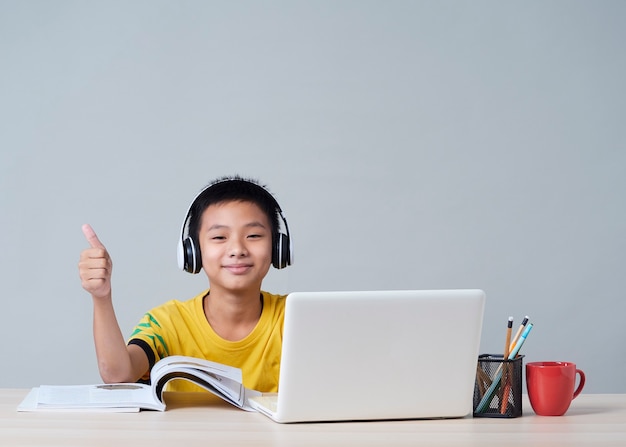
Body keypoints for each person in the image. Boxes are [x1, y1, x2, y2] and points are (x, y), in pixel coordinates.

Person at [78, 176, 292, 393]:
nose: (237, 249)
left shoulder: (296, 319)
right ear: (193, 251)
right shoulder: (166, 323)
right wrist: (101, 297)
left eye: (253, 235)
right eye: (219, 237)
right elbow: (119, 376)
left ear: (278, 246)